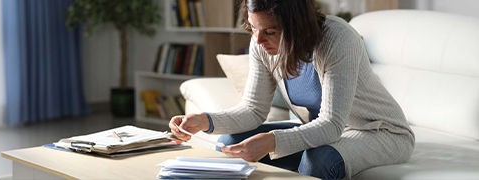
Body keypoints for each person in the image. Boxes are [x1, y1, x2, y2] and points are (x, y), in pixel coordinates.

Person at [169, 0, 415, 179]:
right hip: (324, 131)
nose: (258, 40)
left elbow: (331, 124)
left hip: (379, 131)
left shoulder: (338, 39)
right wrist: (204, 120)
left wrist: (271, 141)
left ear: (297, 25)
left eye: (270, 31)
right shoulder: (262, 46)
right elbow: (253, 109)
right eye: (253, 28)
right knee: (231, 141)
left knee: (318, 161)